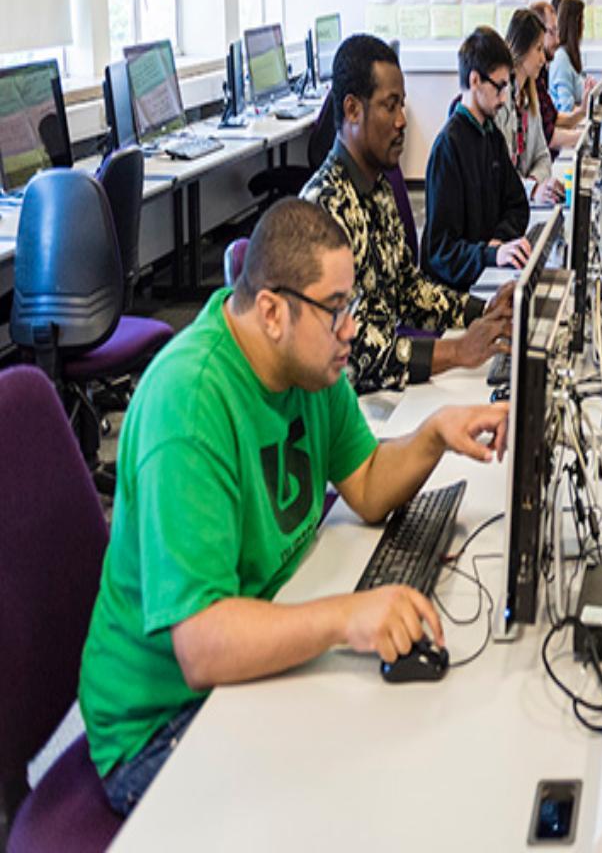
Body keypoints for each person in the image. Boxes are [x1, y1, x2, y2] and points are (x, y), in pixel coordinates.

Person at [78, 199, 510, 815]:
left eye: (351, 305)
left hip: (247, 653)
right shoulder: (190, 404)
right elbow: (201, 645)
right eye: (337, 310)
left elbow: (364, 482)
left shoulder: (310, 369)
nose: (352, 329)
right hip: (162, 722)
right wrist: (347, 618)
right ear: (273, 312)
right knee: (354, 803)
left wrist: (435, 434)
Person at [301, 34, 510, 394]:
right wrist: (457, 350)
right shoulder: (326, 209)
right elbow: (356, 349)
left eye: (403, 106)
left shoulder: (377, 186)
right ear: (352, 110)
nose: (402, 121)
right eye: (390, 106)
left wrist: (484, 310)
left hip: (383, 386)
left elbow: (407, 290)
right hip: (348, 402)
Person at [423, 26, 533, 291]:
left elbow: (518, 204)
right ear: (475, 81)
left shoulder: (491, 135)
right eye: (499, 87)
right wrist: (490, 254)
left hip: (488, 275)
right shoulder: (448, 148)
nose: (504, 98)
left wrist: (500, 241)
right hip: (460, 290)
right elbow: (440, 252)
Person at [498, 8, 564, 204]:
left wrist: (535, 183)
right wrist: (532, 189)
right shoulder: (499, 101)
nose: (543, 59)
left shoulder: (528, 96)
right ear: (521, 48)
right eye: (538, 50)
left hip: (523, 204)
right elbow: (499, 175)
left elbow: (543, 157)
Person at [530, 0, 591, 150]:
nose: (558, 39)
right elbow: (548, 136)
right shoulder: (528, 81)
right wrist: (587, 136)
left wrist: (582, 111)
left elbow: (554, 118)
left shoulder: (541, 75)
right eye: (552, 32)